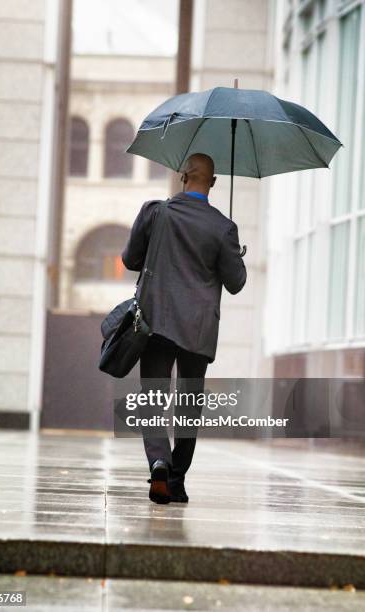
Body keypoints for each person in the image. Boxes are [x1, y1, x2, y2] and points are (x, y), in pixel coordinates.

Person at [122, 153, 246, 504]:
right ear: (214, 182)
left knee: (152, 398)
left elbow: (131, 259)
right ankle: (176, 479)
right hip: (199, 329)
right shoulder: (224, 228)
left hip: (156, 322)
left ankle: (158, 460)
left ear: (182, 177)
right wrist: (236, 253)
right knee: (189, 405)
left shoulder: (155, 213)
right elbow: (236, 283)